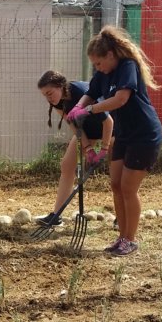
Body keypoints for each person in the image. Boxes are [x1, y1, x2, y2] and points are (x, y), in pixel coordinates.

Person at [67, 26, 162, 256]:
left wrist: (88, 110)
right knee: (116, 185)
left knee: (129, 189)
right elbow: (90, 92)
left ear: (110, 55)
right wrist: (78, 108)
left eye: (99, 63)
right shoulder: (103, 73)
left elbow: (120, 99)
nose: (97, 68)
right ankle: (121, 236)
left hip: (144, 135)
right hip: (123, 134)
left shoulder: (126, 67)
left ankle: (130, 240)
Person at [35, 70, 113, 227]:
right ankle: (56, 216)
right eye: (44, 95)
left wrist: (104, 149)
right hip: (88, 130)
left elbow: (108, 122)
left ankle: (121, 217)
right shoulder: (57, 102)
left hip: (112, 129)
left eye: (49, 93)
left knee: (117, 172)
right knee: (67, 166)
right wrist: (88, 148)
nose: (48, 98)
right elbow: (74, 125)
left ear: (60, 86)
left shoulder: (83, 93)